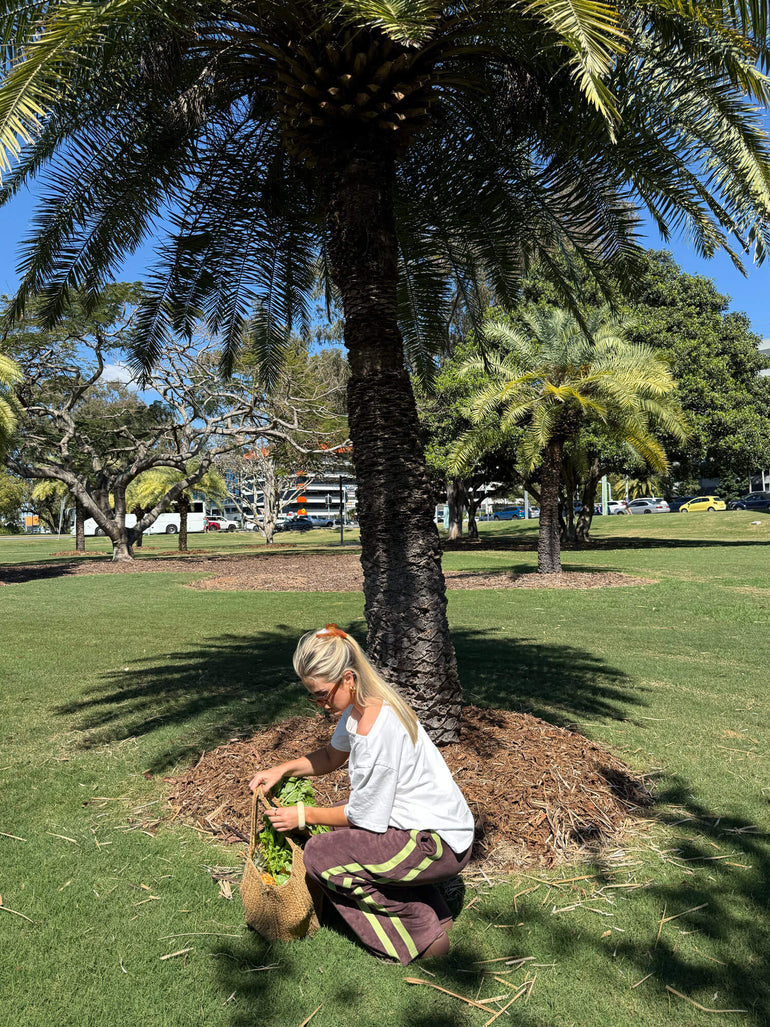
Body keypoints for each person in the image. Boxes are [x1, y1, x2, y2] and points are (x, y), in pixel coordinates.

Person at [249, 624, 475, 964]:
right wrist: (282, 769)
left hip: (436, 845)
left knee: (321, 855)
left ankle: (422, 939)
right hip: (428, 831)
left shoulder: (375, 731)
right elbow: (330, 756)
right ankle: (436, 912)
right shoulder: (362, 709)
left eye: (322, 694)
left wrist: (302, 815)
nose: (318, 704)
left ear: (349, 679)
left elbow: (363, 817)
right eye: (311, 695)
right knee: (336, 834)